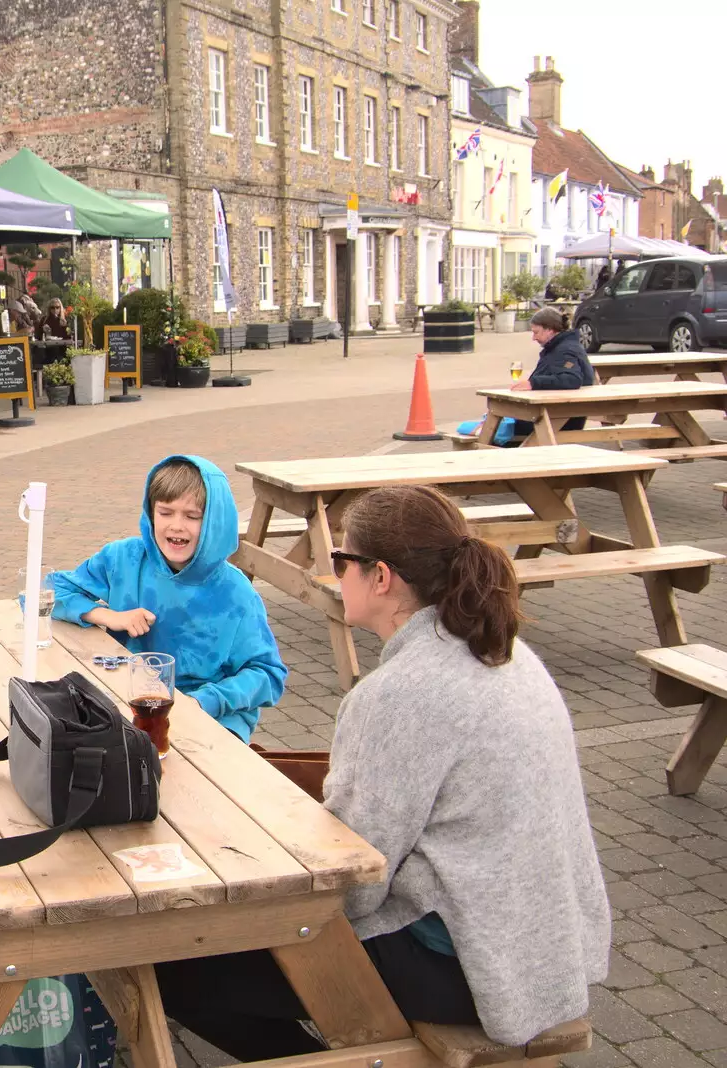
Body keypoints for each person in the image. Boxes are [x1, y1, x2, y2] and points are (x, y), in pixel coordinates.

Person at [155, 485, 609, 1060]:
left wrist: (247, 905)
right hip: (544, 937)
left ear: (381, 577)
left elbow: (354, 883)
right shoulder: (507, 653)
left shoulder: (401, 694)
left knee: (176, 962)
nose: (334, 572)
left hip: (472, 960)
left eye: (342, 560)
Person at [51, 455, 287, 741]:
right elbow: (45, 592)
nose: (176, 526)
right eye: (165, 512)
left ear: (215, 522)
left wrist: (201, 702)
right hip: (131, 707)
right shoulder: (123, 558)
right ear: (150, 514)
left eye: (192, 516)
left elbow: (267, 675)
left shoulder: (236, 592)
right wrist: (109, 616)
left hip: (210, 722)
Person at [457, 308, 594, 445]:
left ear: (550, 330)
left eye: (536, 332)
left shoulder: (564, 350)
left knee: (492, 428)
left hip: (556, 419)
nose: (533, 338)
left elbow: (572, 379)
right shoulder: (563, 346)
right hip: (562, 415)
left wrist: (533, 383)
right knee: (496, 424)